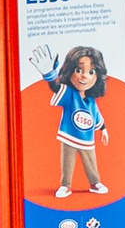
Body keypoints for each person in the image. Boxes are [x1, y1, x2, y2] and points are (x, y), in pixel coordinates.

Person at [46, 43, 110, 201]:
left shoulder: (91, 101)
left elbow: (97, 117)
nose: (84, 76)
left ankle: (95, 183)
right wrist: (49, 74)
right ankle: (65, 185)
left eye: (91, 72)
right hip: (68, 135)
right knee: (67, 161)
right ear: (70, 71)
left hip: (87, 138)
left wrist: (103, 129)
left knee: (90, 161)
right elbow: (55, 87)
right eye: (79, 70)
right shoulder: (69, 93)